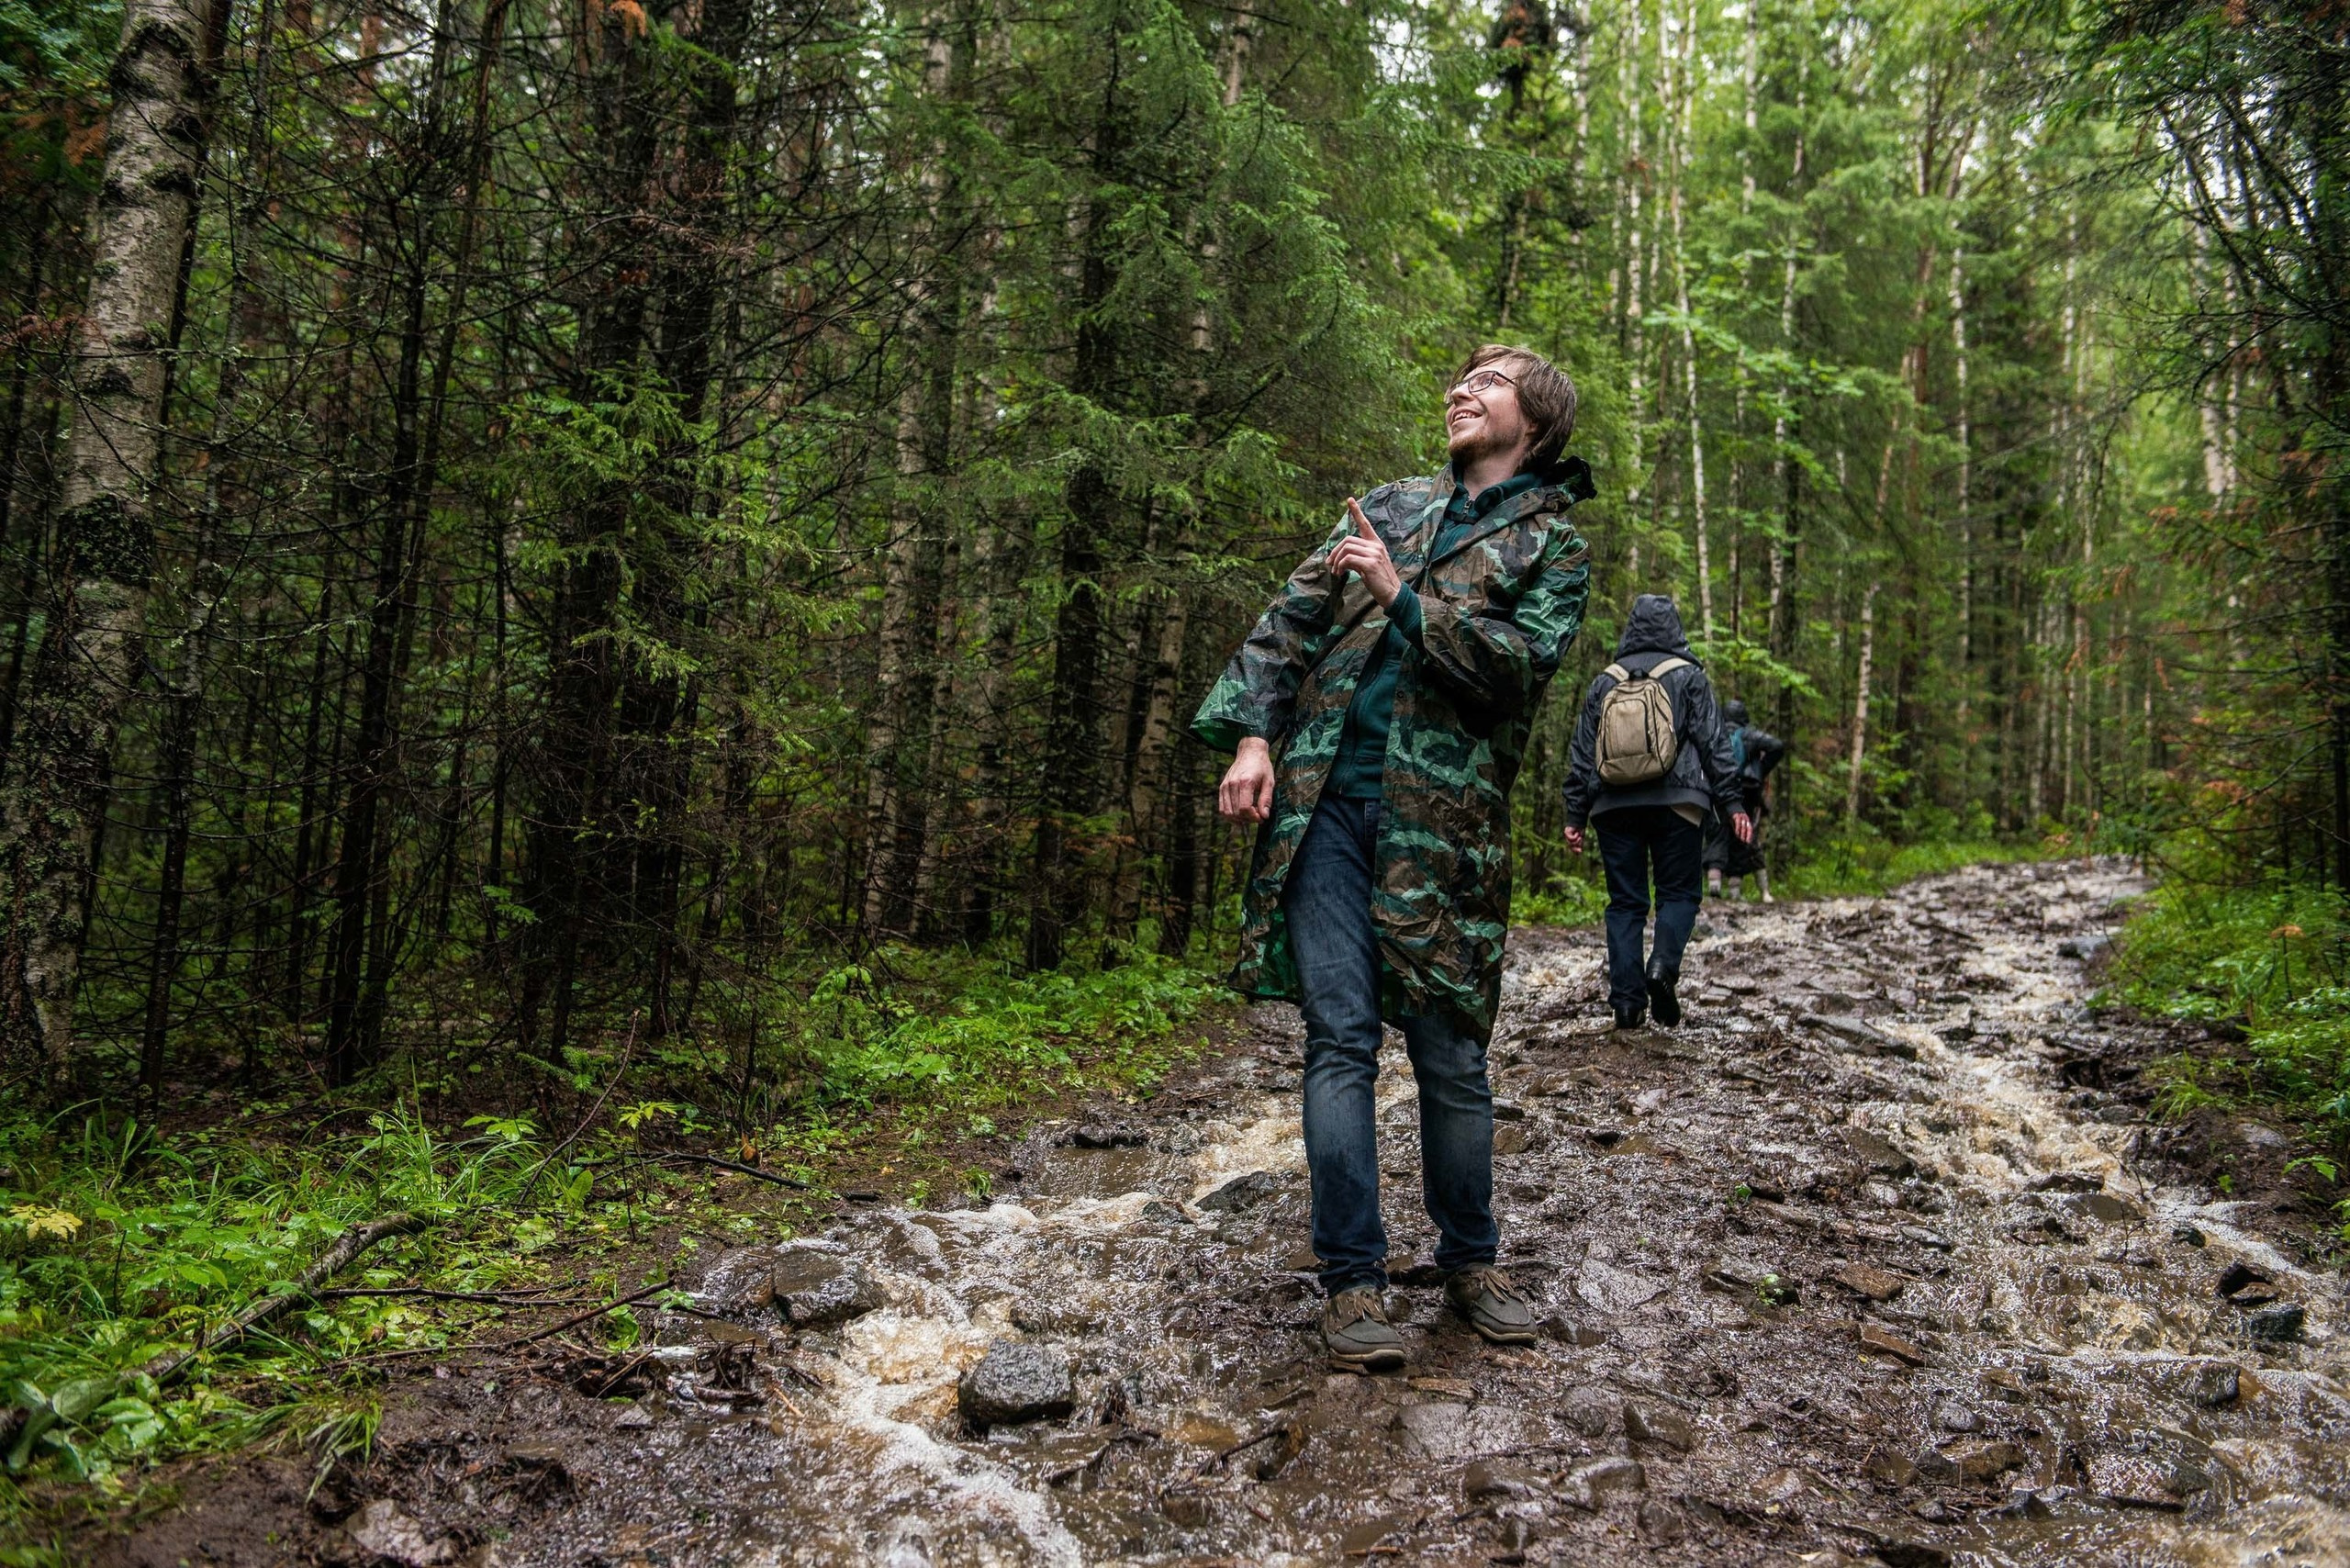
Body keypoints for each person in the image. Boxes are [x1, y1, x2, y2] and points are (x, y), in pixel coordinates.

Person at [1191, 344, 1596, 1373]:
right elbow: (1285, 627)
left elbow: (1515, 671)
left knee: (1451, 1053)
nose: (1463, 390)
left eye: (1490, 381)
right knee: (1338, 1041)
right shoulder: (1387, 505)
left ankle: (1470, 1262)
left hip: (1444, 830)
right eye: (1461, 380)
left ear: (1537, 420)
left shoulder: (1554, 544)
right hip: (1324, 811)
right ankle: (1352, 1282)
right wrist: (1250, 737)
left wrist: (1402, 594)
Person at [1561, 595, 1749, 1031]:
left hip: (1612, 804)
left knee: (1625, 904)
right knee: (1679, 894)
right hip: (1678, 803)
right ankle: (1662, 967)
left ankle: (1627, 1005)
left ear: (1631, 627)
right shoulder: (1689, 677)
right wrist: (1732, 803)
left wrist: (1575, 814)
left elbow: (1582, 754)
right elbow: (1714, 744)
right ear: (1675, 628)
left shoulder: (1603, 683)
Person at [1702, 699, 1786, 902]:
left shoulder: (1715, 733)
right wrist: (1760, 769)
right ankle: (1735, 891)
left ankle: (1714, 885)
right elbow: (1777, 745)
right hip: (1746, 792)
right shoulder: (1750, 735)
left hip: (1718, 790)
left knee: (1716, 834)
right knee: (1742, 834)